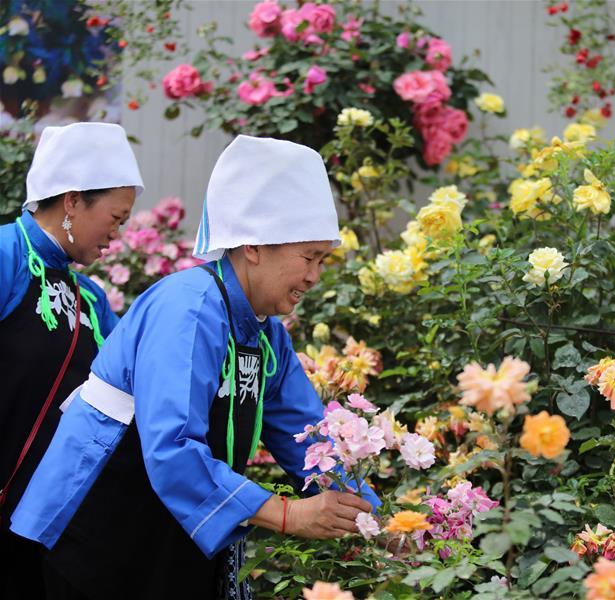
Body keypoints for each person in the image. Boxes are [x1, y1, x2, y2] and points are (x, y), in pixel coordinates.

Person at [11, 135, 379, 600]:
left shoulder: (268, 334)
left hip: (164, 524)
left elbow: (307, 437)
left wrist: (375, 518)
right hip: (101, 525)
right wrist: (287, 514)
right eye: (308, 257)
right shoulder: (188, 309)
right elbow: (173, 446)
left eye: (322, 260)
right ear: (252, 246)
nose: (314, 276)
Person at [0, 122, 143, 599]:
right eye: (116, 217)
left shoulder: (91, 299)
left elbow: (137, 377)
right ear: (73, 200)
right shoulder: (7, 255)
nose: (117, 235)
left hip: (37, 527)